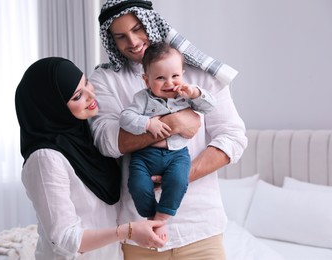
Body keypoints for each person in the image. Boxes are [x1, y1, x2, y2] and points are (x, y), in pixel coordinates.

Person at [89, 0, 248, 259]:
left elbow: (233, 138)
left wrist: (181, 177)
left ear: (152, 23)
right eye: (121, 36)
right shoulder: (105, 80)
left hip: (200, 228)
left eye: (138, 28)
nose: (133, 41)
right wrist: (174, 123)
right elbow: (107, 142)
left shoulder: (199, 77)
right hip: (138, 231)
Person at [15, 57, 167, 260]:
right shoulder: (45, 159)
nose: (90, 95)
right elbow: (64, 238)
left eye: (86, 82)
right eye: (77, 96)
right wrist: (128, 231)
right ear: (54, 107)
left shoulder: (87, 138)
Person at [118, 42, 217, 240]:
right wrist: (147, 124)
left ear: (182, 74)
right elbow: (125, 117)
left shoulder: (185, 97)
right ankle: (150, 216)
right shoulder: (142, 98)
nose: (169, 83)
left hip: (177, 155)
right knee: (137, 186)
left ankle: (161, 219)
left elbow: (209, 107)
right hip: (145, 156)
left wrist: (195, 93)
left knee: (179, 181)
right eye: (160, 78)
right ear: (147, 80)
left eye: (175, 76)